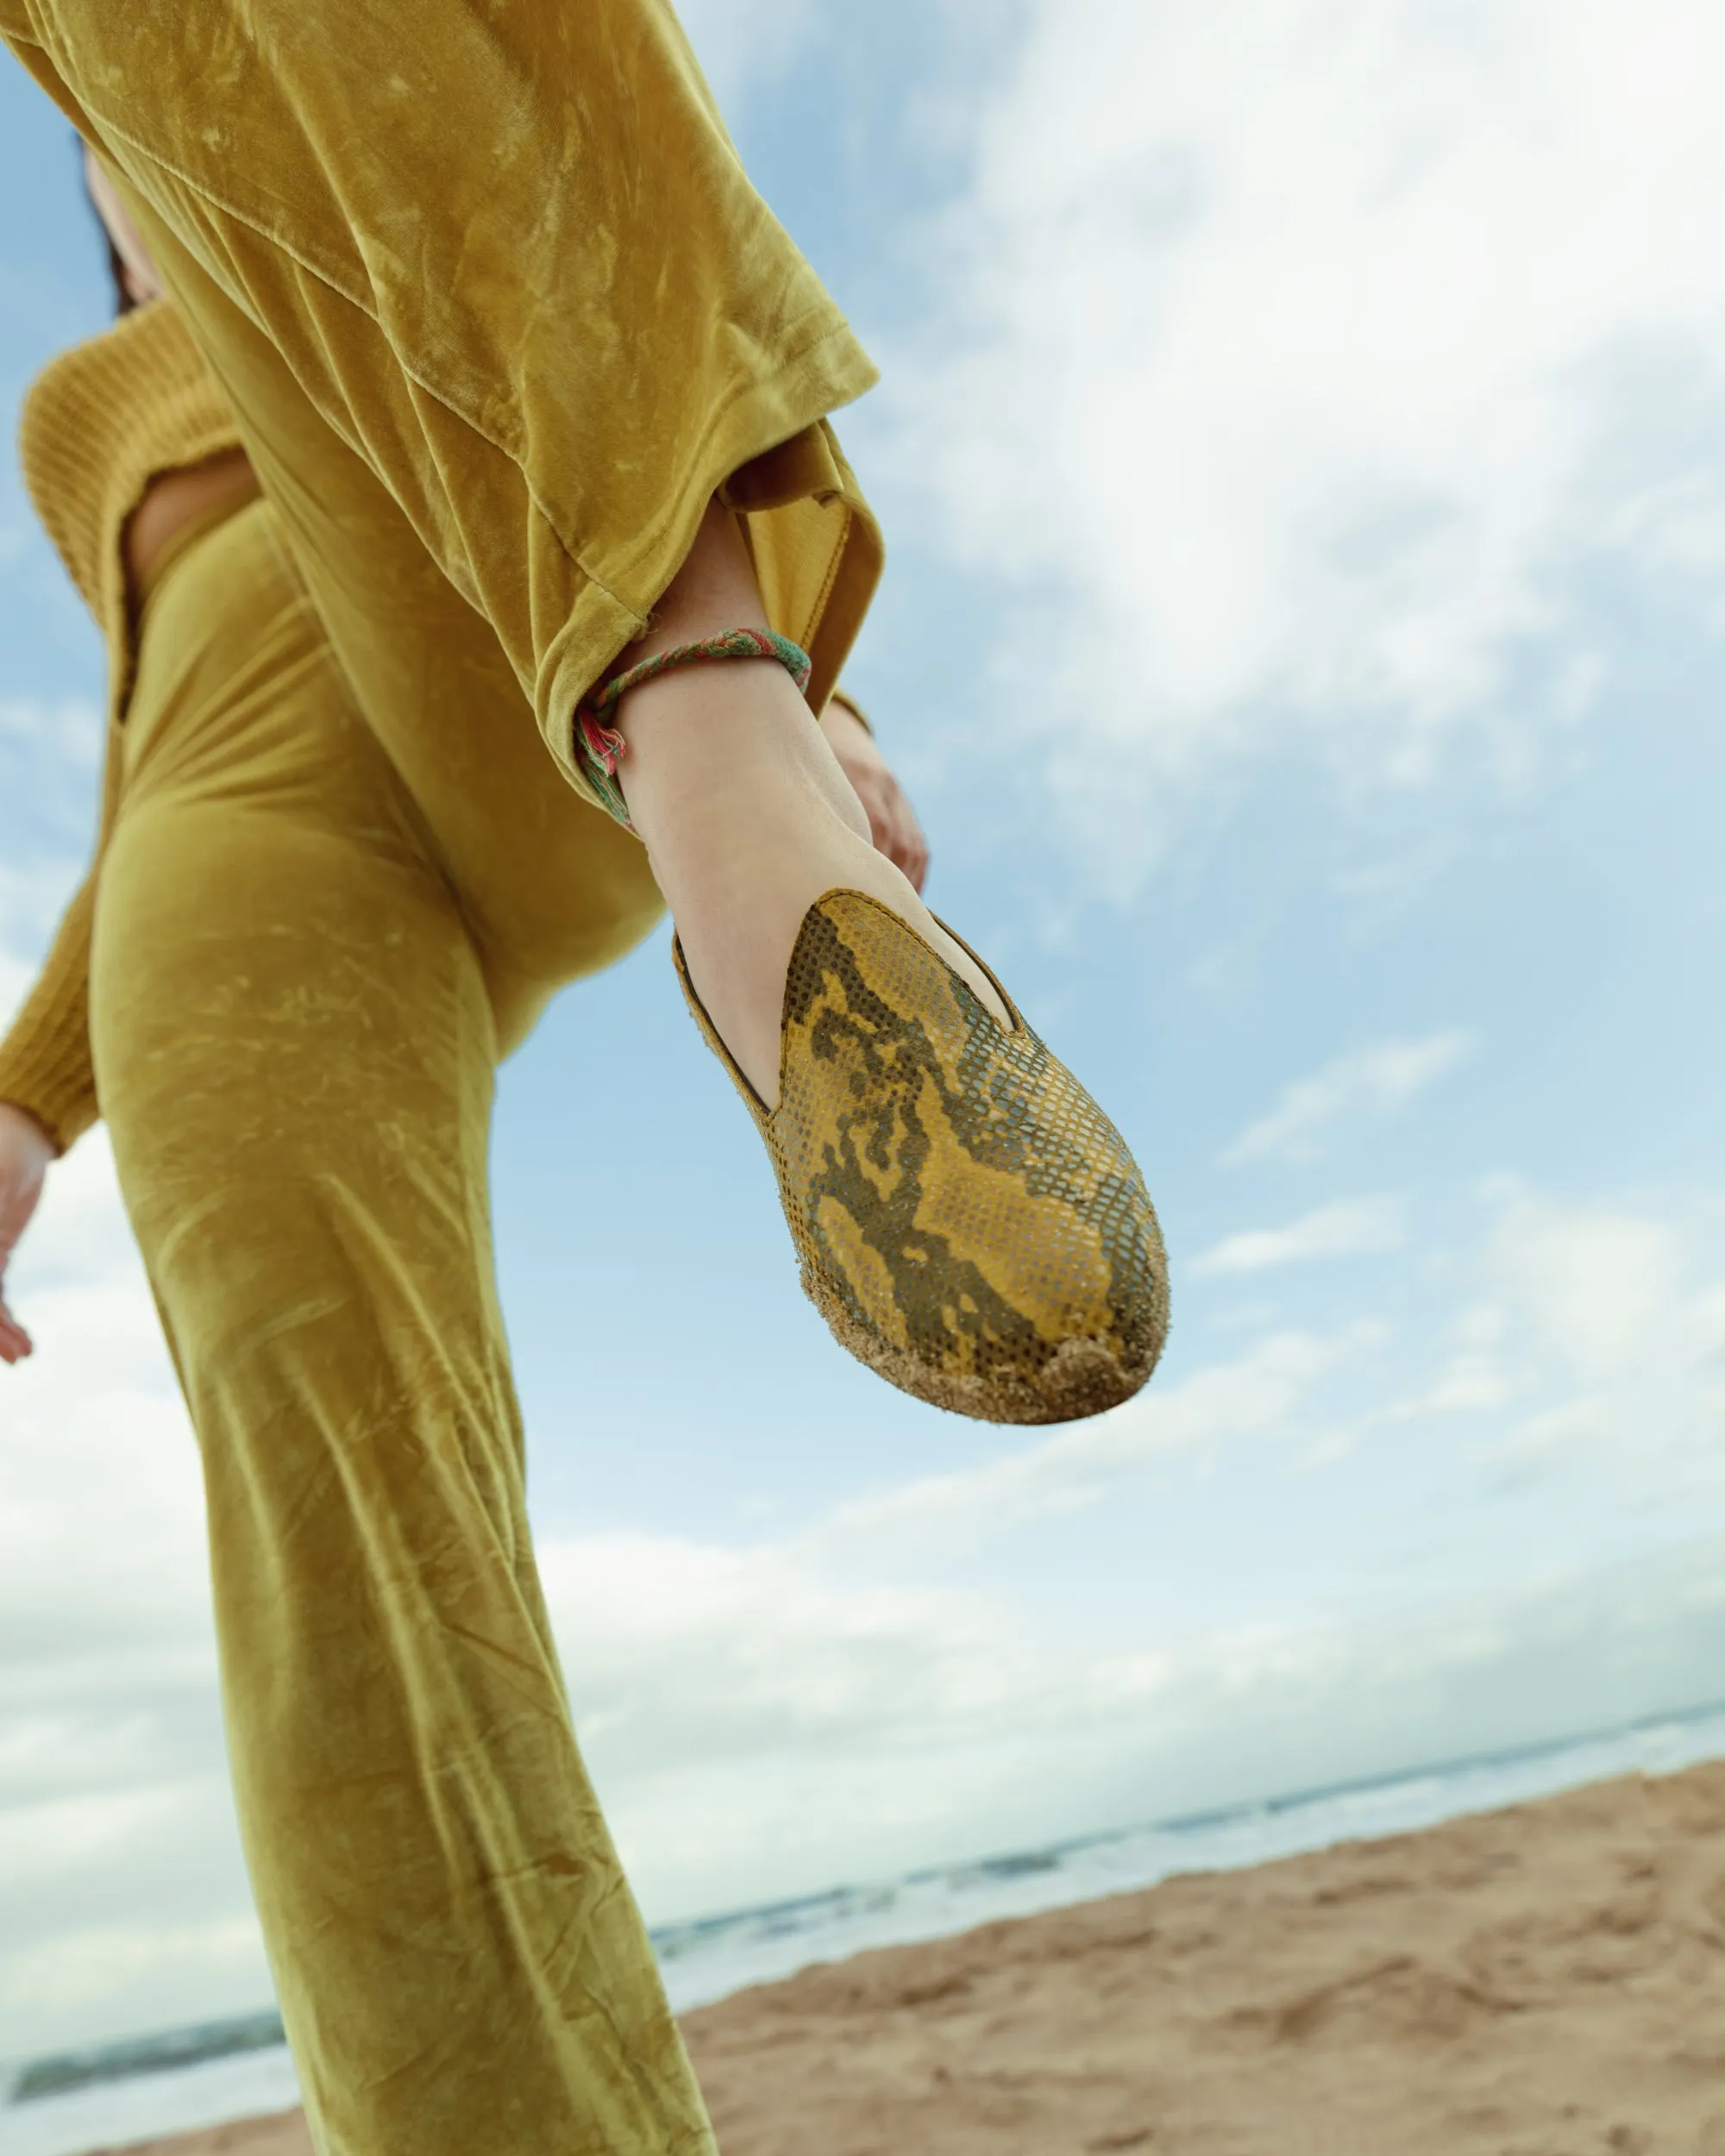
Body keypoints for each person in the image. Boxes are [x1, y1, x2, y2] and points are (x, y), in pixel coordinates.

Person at [0, 6, 1170, 2151]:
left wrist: (835, 690)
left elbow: (509, 246)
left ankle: (717, 687)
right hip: (244, 849)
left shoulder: (342, 216)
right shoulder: (81, 410)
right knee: (340, 1513)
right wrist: (19, 1097)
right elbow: (141, 734)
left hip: (494, 623)